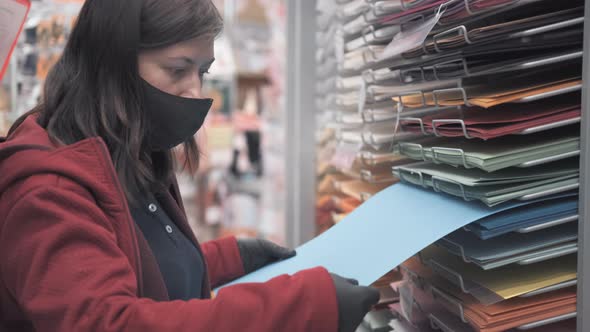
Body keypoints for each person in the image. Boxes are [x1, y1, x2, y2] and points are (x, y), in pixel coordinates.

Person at [0, 0, 379, 331]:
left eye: (202, 72)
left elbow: (137, 266)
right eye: (177, 70)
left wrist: (229, 258)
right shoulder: (46, 194)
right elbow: (110, 322)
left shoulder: (128, 154)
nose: (195, 91)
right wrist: (303, 308)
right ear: (111, 65)